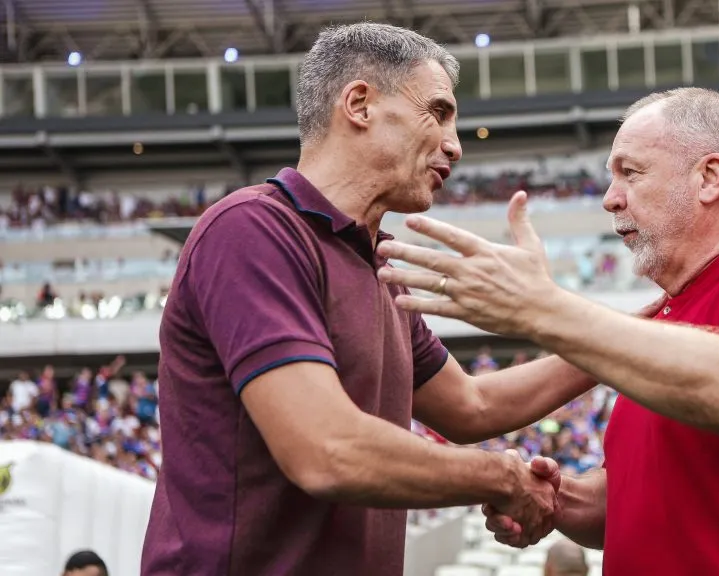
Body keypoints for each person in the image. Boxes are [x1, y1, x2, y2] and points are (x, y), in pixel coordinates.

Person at [142, 23, 603, 576]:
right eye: (439, 111)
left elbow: (471, 405)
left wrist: (630, 339)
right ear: (359, 104)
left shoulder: (375, 263)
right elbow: (327, 449)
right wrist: (500, 478)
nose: (456, 144)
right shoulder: (253, 230)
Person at [378, 87, 719, 572]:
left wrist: (544, 310)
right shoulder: (665, 316)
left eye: (630, 173)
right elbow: (633, 498)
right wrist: (556, 497)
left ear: (710, 177)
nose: (610, 200)